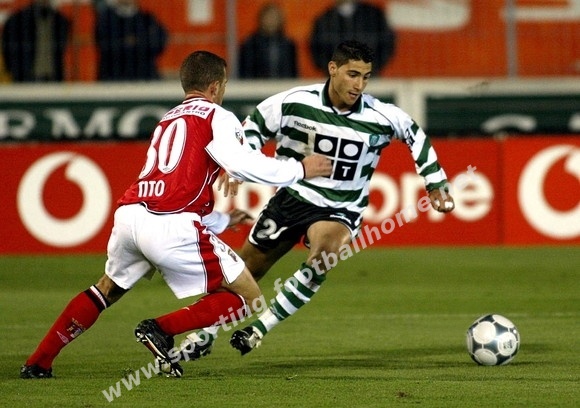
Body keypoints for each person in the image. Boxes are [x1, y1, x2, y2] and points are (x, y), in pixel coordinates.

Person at [19, 50, 333, 379]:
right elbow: (242, 164)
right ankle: (160, 329)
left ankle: (38, 363)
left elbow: (172, 185)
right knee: (248, 297)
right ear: (215, 86)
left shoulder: (167, 119)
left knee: (106, 290)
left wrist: (222, 220)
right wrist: (300, 169)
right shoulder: (217, 116)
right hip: (170, 225)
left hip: (131, 216)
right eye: (224, 85)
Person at [169, 40, 454, 364]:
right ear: (333, 69)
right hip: (292, 199)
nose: (359, 85)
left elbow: (415, 135)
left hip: (340, 208)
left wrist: (435, 182)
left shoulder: (381, 115)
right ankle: (203, 335)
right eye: (352, 74)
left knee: (323, 257)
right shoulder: (294, 102)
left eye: (365, 77)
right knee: (244, 271)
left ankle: (259, 328)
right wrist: (236, 165)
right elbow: (254, 127)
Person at [309, 0, 396, 74]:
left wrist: (371, 69)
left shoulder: (374, 16)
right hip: (337, 80)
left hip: (371, 79)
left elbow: (386, 44)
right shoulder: (324, 20)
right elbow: (317, 50)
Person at [95, 0, 168, 80]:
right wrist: (141, 43)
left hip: (145, 77)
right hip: (114, 78)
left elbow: (158, 43)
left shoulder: (147, 18)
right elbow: (108, 47)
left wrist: (131, 43)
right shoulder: (106, 19)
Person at [1, 0, 70, 82]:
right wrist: (15, 71)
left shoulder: (61, 21)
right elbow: (8, 49)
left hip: (54, 78)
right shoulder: (18, 20)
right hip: (25, 78)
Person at [238, 3, 297, 79]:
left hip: (284, 84)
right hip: (256, 85)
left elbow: (293, 72)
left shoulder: (288, 44)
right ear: (261, 19)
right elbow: (245, 72)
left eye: (275, 18)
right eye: (269, 17)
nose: (271, 21)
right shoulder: (250, 44)